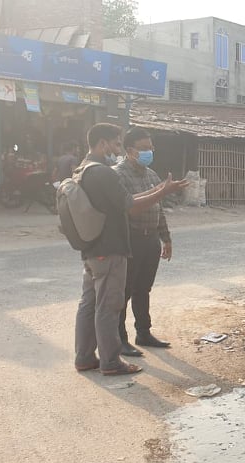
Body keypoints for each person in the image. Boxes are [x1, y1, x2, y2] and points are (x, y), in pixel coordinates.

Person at [73, 123, 188, 376]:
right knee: (109, 305)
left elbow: (135, 203)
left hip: (94, 246)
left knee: (90, 303)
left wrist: (160, 191)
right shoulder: (106, 173)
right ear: (103, 143)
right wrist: (162, 191)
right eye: (116, 144)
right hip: (110, 247)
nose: (116, 150)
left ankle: (85, 357)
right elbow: (130, 207)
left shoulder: (84, 169)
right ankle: (111, 361)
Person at [113, 128, 174, 357]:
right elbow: (126, 208)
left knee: (143, 289)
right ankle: (119, 339)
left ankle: (143, 332)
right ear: (130, 150)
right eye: (145, 148)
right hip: (131, 239)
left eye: (151, 147)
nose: (150, 152)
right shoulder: (117, 175)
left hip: (151, 240)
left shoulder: (151, 175)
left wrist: (166, 238)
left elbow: (159, 209)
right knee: (124, 291)